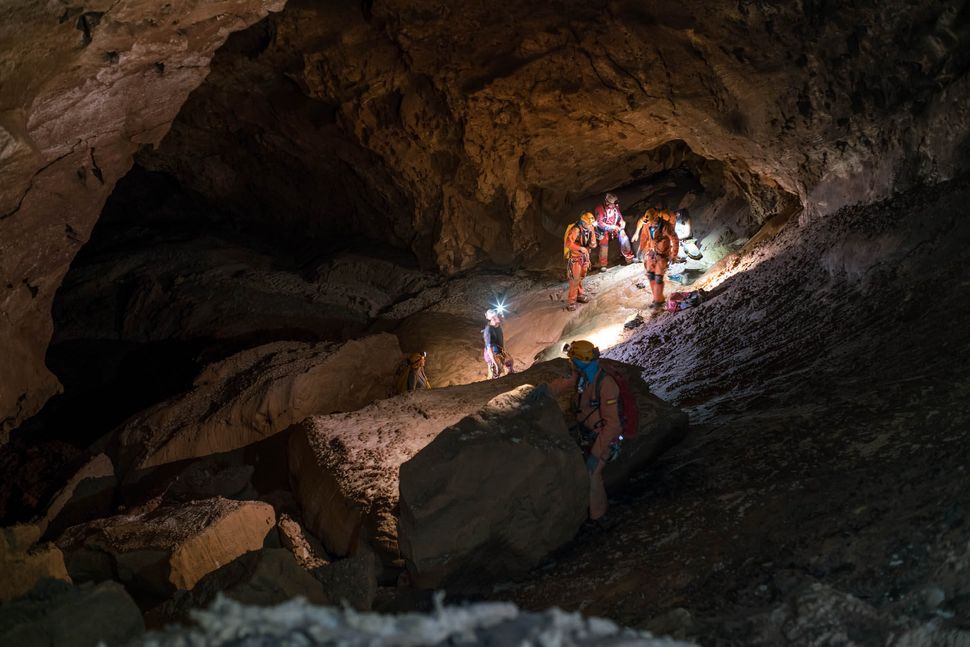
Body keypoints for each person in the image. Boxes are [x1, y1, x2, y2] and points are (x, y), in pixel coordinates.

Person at [529, 340, 621, 524]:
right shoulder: (583, 375)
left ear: (580, 360)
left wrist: (596, 454)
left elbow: (613, 426)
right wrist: (546, 388)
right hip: (587, 432)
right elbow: (565, 383)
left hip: (603, 438)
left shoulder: (606, 384)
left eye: (573, 359)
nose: (571, 362)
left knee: (592, 473)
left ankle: (599, 517)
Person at [632, 206, 679, 309]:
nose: (651, 223)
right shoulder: (648, 225)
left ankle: (659, 300)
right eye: (649, 221)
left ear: (656, 217)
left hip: (662, 254)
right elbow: (644, 233)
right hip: (652, 253)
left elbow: (675, 239)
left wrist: (673, 255)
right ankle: (657, 298)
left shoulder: (665, 226)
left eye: (652, 220)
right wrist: (642, 250)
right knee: (650, 275)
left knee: (658, 277)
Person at [563, 212, 597, 311]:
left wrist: (593, 244)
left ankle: (580, 295)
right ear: (583, 222)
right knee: (575, 279)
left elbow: (593, 240)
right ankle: (571, 302)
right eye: (588, 223)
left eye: (590, 224)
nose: (589, 225)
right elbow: (568, 244)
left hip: (585, 257)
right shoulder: (576, 230)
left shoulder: (590, 228)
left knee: (581, 276)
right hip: (576, 258)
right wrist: (580, 248)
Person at [593, 193, 634, 269]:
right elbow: (600, 223)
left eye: (615, 204)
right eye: (613, 204)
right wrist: (611, 227)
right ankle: (603, 264)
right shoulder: (600, 208)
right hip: (604, 229)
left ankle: (629, 258)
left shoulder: (615, 207)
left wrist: (622, 223)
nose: (615, 206)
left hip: (615, 227)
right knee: (604, 243)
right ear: (607, 203)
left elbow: (620, 217)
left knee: (624, 238)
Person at [483, 308, 514, 379]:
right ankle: (492, 383)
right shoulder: (488, 331)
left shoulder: (497, 326)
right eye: (499, 315)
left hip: (499, 351)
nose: (502, 316)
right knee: (496, 372)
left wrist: (504, 352)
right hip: (492, 354)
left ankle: (510, 378)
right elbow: (489, 349)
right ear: (493, 318)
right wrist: (495, 363)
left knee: (509, 362)